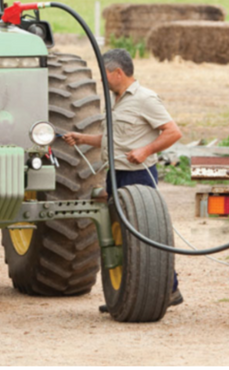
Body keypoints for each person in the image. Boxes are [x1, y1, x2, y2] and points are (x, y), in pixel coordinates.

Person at [62, 48, 184, 308]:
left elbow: (173, 132)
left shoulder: (145, 99)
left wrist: (146, 150)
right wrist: (83, 139)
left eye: (105, 75)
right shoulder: (116, 101)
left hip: (139, 175)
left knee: (146, 236)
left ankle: (170, 289)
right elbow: (112, 140)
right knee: (123, 240)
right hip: (116, 175)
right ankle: (126, 295)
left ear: (118, 73)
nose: (103, 81)